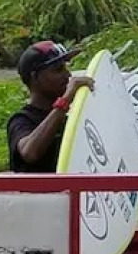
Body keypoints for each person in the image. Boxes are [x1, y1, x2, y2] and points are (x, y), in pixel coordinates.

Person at [6, 40, 95, 173]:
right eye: (58, 70)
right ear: (34, 77)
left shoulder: (68, 120)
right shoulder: (21, 120)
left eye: (66, 68)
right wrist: (65, 100)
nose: (68, 75)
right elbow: (29, 152)